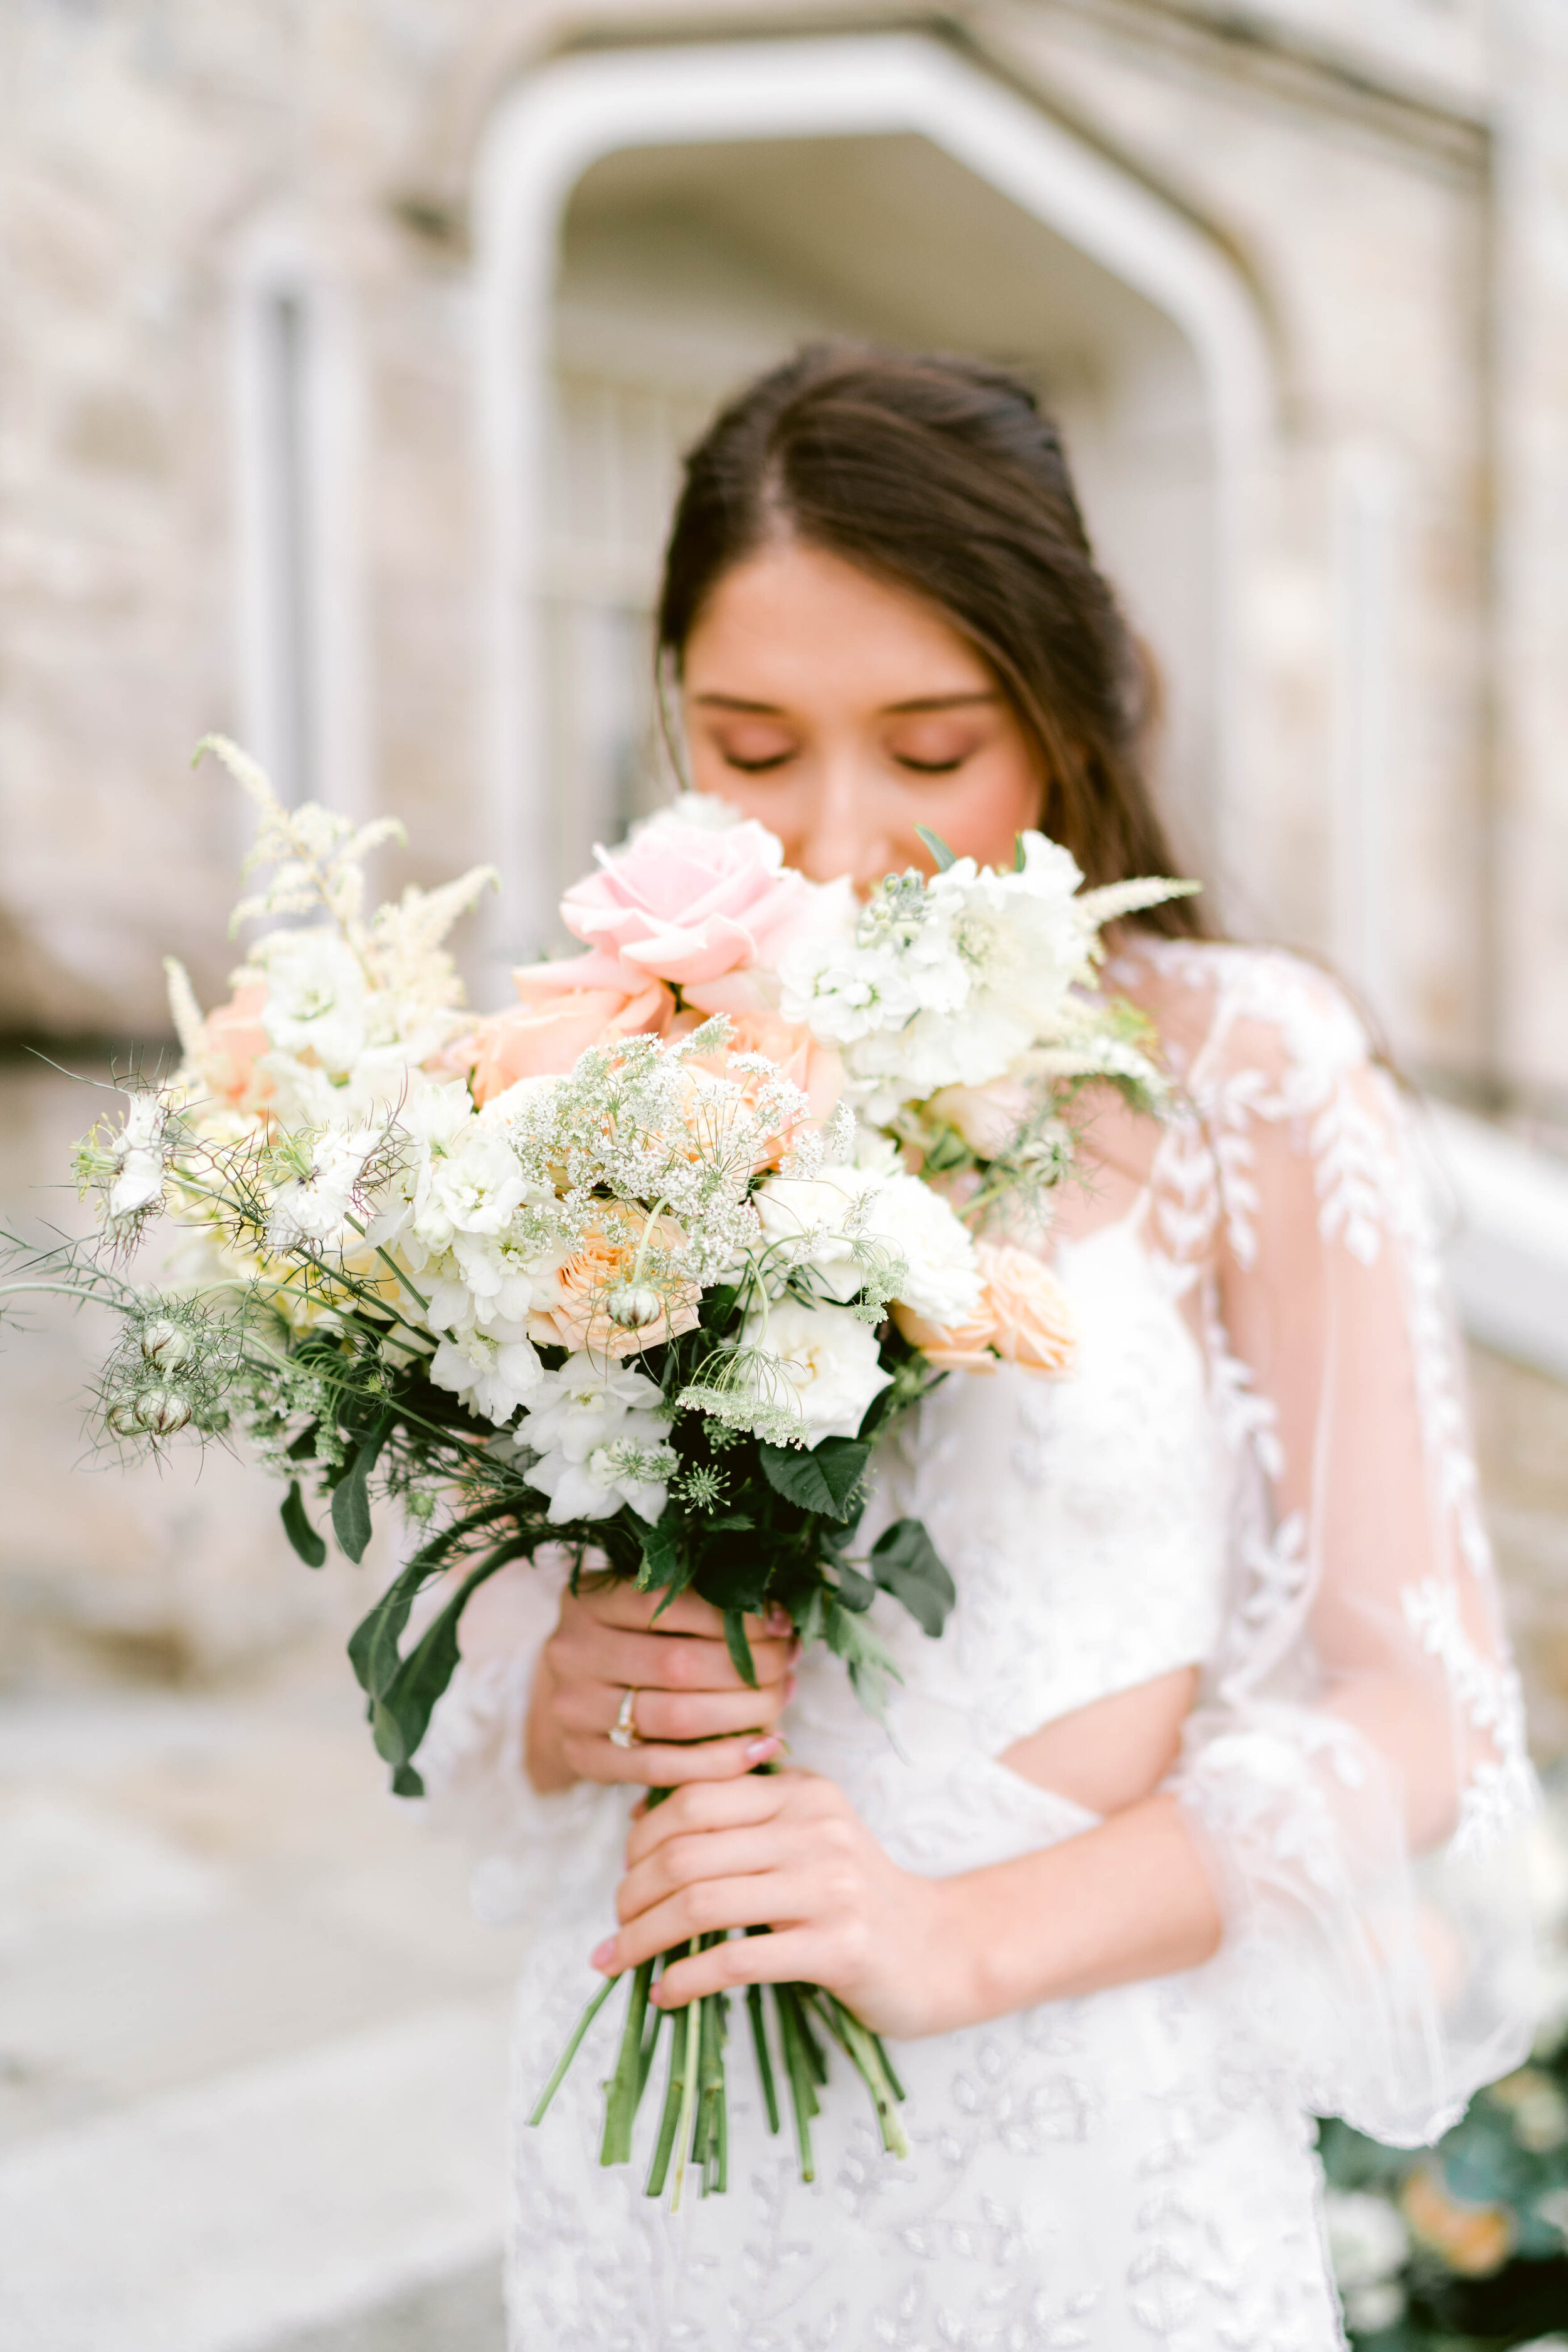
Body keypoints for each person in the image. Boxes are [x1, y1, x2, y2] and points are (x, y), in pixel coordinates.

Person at [423, 346, 1538, 2348]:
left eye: (930, 752)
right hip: (671, 2142)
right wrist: (566, 1677)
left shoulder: (1245, 1068)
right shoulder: (581, 1083)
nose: (839, 841)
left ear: (1062, 716)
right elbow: (499, 1635)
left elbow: (1418, 1710)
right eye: (751, 750)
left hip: (1079, 2148)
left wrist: (952, 1937)